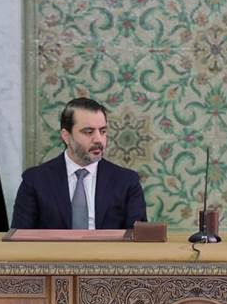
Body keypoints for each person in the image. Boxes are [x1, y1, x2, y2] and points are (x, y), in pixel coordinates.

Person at [11, 98, 147, 229]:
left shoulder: (127, 182)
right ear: (66, 136)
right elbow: (19, 237)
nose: (98, 139)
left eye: (103, 131)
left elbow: (139, 237)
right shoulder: (35, 181)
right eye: (88, 132)